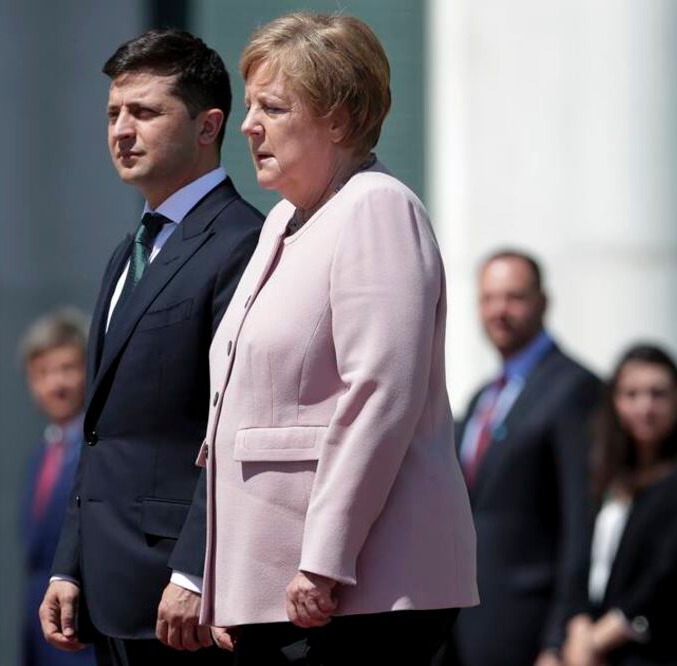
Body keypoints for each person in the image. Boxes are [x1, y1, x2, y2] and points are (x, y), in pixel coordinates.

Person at [198, 13, 479, 665]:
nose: (247, 125)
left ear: (338, 118)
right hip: (287, 584)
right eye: (250, 106)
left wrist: (324, 558)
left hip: (362, 586)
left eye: (273, 106)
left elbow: (380, 394)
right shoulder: (282, 224)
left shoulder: (376, 208)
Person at [39, 28, 262, 666]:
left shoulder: (241, 243)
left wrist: (195, 571)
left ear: (208, 125)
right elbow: (101, 431)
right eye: (113, 113)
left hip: (180, 601)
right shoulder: (126, 253)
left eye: (144, 112)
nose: (121, 130)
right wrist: (69, 565)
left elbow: (234, 423)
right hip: (108, 595)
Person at [445, 251, 601, 666]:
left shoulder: (574, 389)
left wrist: (558, 638)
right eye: (488, 298)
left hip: (530, 629)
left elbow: (580, 521)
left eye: (514, 297)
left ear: (542, 302)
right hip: (464, 627)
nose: (499, 311)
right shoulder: (482, 397)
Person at [561, 344, 677, 666]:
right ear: (614, 401)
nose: (645, 406)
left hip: (669, 650)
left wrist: (598, 639)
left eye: (658, 393)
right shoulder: (605, 478)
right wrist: (577, 626)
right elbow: (580, 561)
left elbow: (669, 573)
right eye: (632, 394)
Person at [18, 308, 96, 666]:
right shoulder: (41, 454)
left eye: (67, 368)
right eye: (43, 373)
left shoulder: (98, 450)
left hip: (84, 637)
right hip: (43, 641)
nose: (56, 384)